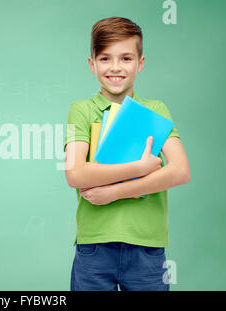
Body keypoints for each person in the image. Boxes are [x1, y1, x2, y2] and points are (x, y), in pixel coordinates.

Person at [63, 17, 191, 291]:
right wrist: (142, 167)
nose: (116, 68)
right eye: (106, 58)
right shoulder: (82, 110)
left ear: (140, 63)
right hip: (94, 247)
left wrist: (112, 192)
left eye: (126, 58)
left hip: (147, 248)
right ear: (92, 64)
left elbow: (180, 171)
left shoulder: (156, 110)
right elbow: (75, 174)